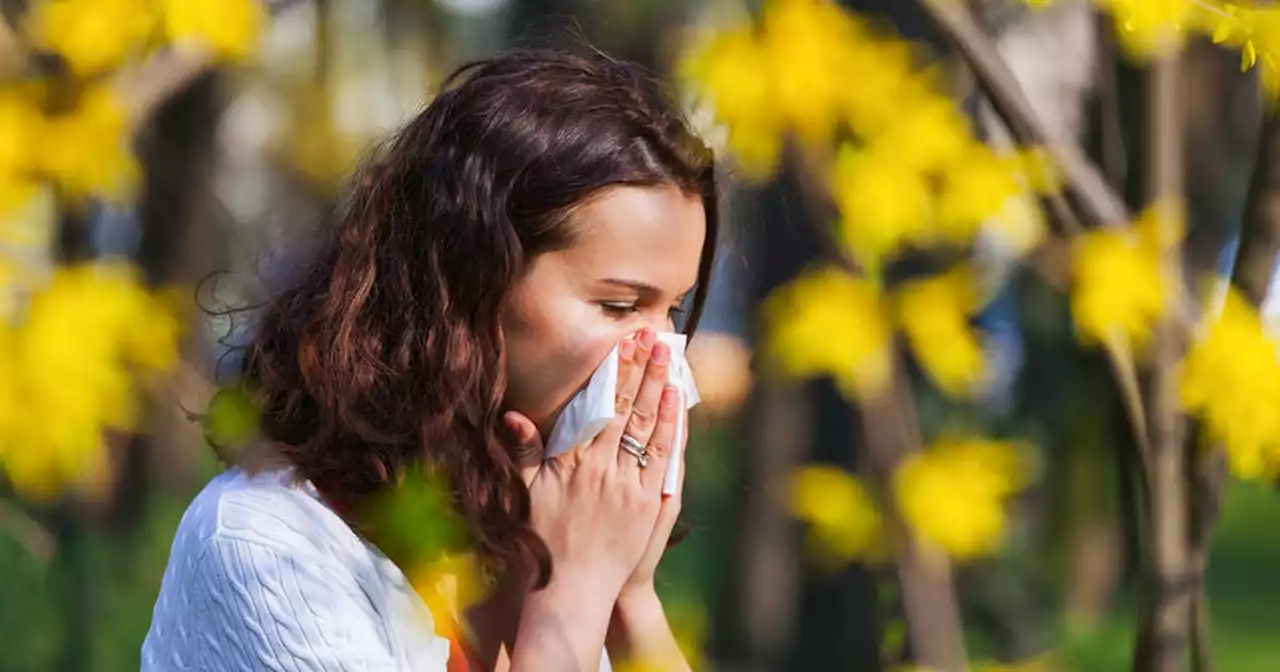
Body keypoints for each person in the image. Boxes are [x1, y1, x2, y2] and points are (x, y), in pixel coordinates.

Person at [141, 46, 717, 672]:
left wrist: (628, 598)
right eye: (620, 306)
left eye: (675, 314)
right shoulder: (270, 545)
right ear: (471, 282)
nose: (663, 361)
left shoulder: (548, 536)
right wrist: (569, 601)